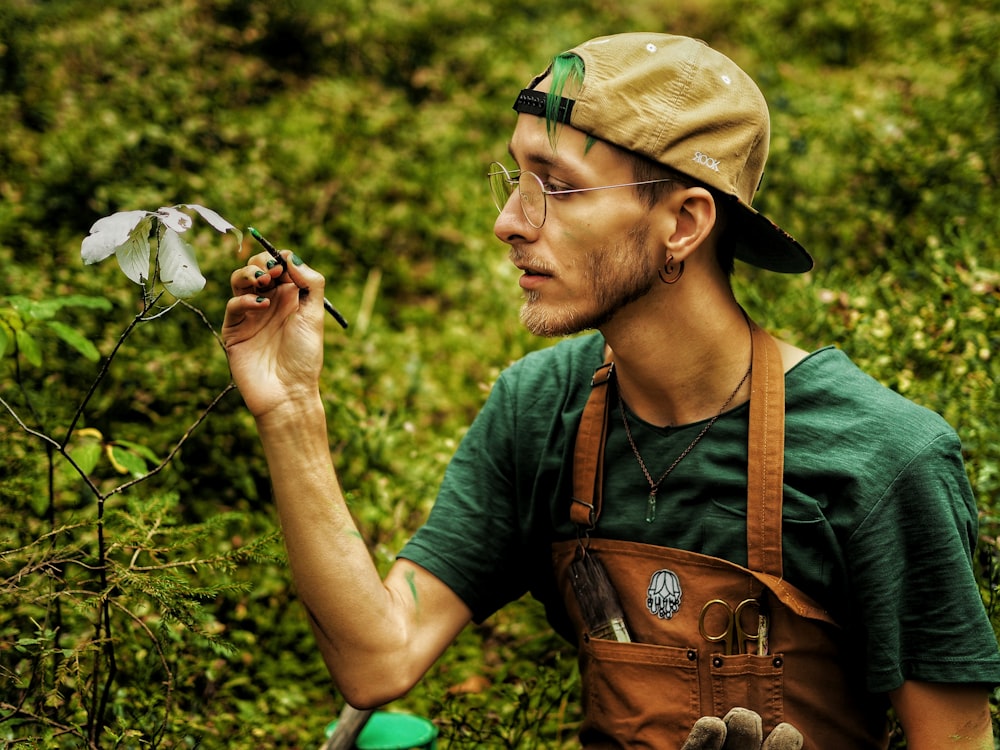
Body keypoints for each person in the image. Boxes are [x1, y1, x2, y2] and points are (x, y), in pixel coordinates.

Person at [222, 32, 1000, 748]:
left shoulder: (886, 460)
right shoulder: (541, 410)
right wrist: (291, 411)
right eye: (514, 177)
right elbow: (378, 660)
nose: (508, 222)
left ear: (684, 222)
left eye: (555, 188)